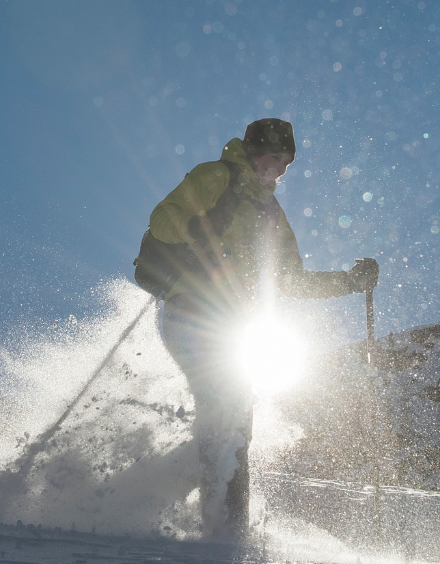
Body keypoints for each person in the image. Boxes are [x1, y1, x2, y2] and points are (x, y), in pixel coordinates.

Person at [143, 118, 379, 537]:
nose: (280, 170)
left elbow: (291, 281)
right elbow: (163, 217)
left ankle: (175, 498)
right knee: (228, 408)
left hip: (234, 326)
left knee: (235, 420)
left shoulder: (272, 213)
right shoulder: (217, 176)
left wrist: (349, 282)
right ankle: (226, 531)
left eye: (286, 163)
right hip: (191, 309)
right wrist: (195, 228)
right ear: (254, 152)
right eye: (275, 158)